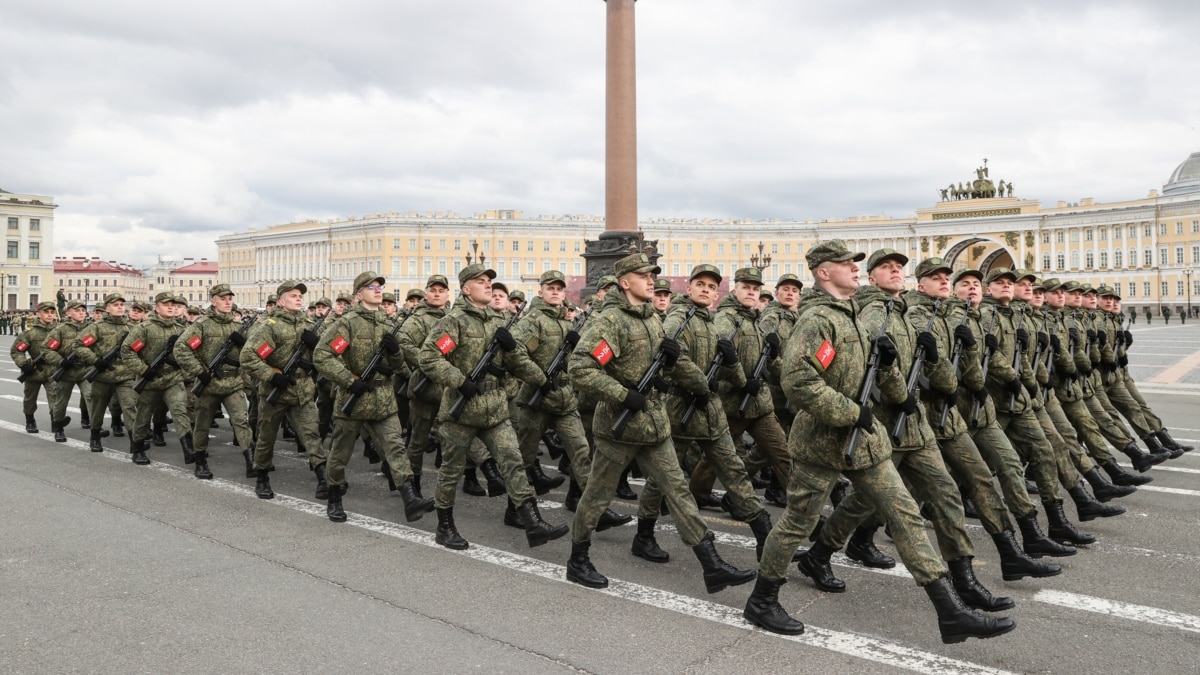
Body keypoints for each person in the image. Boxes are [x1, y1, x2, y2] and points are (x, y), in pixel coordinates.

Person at [742, 241, 1013, 644]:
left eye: (855, 264)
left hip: (866, 441)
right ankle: (762, 600)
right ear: (822, 272)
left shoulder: (851, 314)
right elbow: (798, 382)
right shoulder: (818, 319)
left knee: (905, 514)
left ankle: (950, 611)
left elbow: (870, 369)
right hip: (821, 441)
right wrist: (853, 413)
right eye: (845, 264)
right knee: (798, 521)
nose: (854, 269)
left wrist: (897, 389)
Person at [565, 253, 756, 596]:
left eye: (653, 274)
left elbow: (672, 364)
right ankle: (578, 559)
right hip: (619, 428)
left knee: (678, 489)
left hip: (654, 425)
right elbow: (580, 368)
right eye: (644, 275)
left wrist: (696, 382)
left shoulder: (653, 318)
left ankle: (711, 565)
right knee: (597, 494)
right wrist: (623, 395)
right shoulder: (611, 322)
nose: (652, 280)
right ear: (625, 282)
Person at [418, 264, 569, 550]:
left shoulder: (497, 322)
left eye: (490, 281)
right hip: (461, 411)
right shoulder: (455, 322)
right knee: (451, 470)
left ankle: (532, 522)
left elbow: (516, 362)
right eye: (481, 281)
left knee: (513, 461)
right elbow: (429, 357)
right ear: (466, 289)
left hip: (495, 408)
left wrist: (540, 379)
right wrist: (459, 381)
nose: (488, 285)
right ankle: (445, 526)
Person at [648, 264, 776, 560]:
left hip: (710, 410)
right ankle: (644, 534)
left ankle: (763, 533)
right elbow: (674, 359)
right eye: (701, 284)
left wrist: (733, 367)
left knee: (733, 468)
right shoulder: (678, 319)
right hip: (682, 410)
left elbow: (721, 367)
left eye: (711, 286)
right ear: (689, 288)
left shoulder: (709, 320)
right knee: (662, 479)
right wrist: (703, 386)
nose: (706, 289)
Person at [510, 270, 631, 532]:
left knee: (582, 452)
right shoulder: (534, 320)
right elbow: (516, 355)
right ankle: (515, 508)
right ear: (540, 291)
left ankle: (595, 510)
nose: (555, 292)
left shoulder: (568, 320)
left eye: (559, 288)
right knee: (526, 458)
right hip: (536, 400)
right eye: (550, 287)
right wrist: (540, 379)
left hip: (564, 401)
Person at [313, 272, 434, 523]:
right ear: (358, 295)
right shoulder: (346, 324)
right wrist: (348, 380)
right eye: (372, 287)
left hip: (383, 398)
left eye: (380, 286)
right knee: (340, 453)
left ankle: (410, 498)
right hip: (353, 399)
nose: (378, 290)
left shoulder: (387, 324)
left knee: (396, 448)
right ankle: (334, 497)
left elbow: (398, 363)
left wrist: (395, 351)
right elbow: (323, 355)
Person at [690, 267, 791, 511]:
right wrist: (743, 382)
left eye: (756, 289)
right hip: (732, 402)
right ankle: (696, 495)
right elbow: (719, 360)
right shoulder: (726, 319)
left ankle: (804, 506)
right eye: (746, 287)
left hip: (759, 404)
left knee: (782, 454)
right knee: (715, 458)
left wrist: (776, 356)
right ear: (735, 289)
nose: (752, 292)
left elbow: (769, 364)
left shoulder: (756, 321)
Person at [240, 280, 329, 499]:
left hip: (302, 390)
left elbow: (325, 355)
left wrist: (316, 344)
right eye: (293, 295)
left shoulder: (309, 324)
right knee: (266, 437)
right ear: (281, 301)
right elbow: (248, 357)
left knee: (312, 435)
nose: (298, 298)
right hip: (276, 392)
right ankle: (262, 477)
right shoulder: (269, 327)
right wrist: (272, 375)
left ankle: (324, 478)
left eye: (300, 295)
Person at [173, 284, 255, 479]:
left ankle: (252, 462)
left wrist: (244, 343)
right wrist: (199, 372)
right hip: (209, 384)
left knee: (242, 422)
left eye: (230, 298)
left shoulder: (238, 327)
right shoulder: (201, 325)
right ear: (213, 300)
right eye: (223, 298)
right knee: (202, 424)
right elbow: (181, 349)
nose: (228, 302)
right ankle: (200, 461)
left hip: (233, 383)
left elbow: (254, 350)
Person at [120, 292, 191, 466]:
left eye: (173, 304)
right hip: (150, 381)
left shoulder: (181, 330)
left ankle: (190, 451)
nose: (170, 307)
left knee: (180, 411)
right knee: (143, 416)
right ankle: (137, 449)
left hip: (173, 379)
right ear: (157, 307)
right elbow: (128, 351)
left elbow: (189, 353)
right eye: (166, 304)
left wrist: (184, 371)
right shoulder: (144, 328)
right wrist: (143, 370)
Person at [40, 300, 94, 442]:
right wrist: (61, 361)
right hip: (65, 372)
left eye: (83, 310)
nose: (81, 313)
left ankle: (96, 429)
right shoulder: (60, 330)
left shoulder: (92, 328)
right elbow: (46, 349)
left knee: (90, 396)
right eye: (77, 310)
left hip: (84, 370)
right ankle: (58, 427)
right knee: (61, 402)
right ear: (68, 313)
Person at [12, 301, 62, 434]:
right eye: (46, 312)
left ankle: (55, 423)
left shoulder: (59, 331)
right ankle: (30, 420)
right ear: (39, 314)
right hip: (34, 371)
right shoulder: (30, 333)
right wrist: (23, 364)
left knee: (55, 397)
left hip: (52, 370)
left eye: (52, 312)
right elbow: (17, 351)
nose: (50, 315)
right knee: (30, 398)